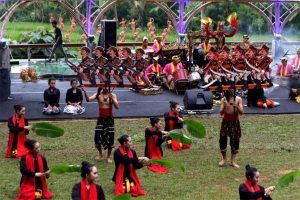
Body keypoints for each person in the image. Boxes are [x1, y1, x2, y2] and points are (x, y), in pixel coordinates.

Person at [82, 86, 119, 163]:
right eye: (104, 86)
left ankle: (108, 156)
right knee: (97, 136)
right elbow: (88, 100)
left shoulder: (113, 95)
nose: (105, 88)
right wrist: (85, 92)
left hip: (109, 119)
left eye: (107, 86)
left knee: (110, 137)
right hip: (101, 119)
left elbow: (117, 107)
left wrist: (112, 98)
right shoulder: (98, 94)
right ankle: (100, 154)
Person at [219, 89, 243, 168]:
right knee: (223, 139)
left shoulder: (238, 99)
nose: (231, 96)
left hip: (235, 122)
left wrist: (236, 105)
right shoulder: (224, 99)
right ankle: (224, 159)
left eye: (232, 94)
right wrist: (225, 106)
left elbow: (242, 112)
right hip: (225, 122)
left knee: (235, 141)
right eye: (229, 94)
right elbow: (221, 113)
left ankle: (233, 161)